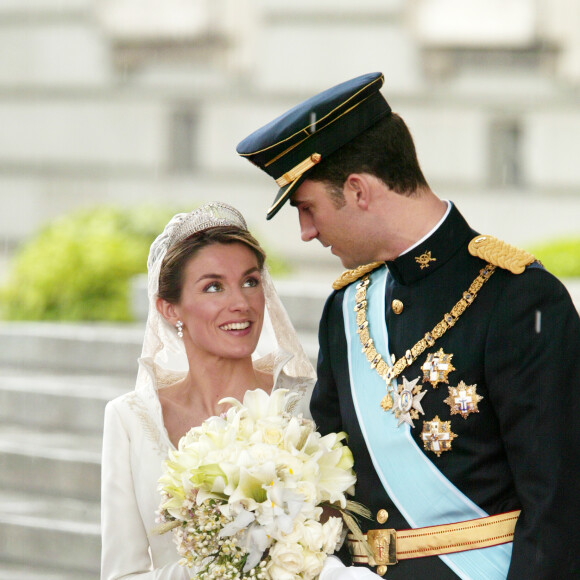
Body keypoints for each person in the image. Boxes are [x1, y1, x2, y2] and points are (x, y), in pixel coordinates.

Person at [236, 72, 580, 578]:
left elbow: (558, 508)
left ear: (357, 190)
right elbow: (338, 486)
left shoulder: (519, 299)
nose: (306, 233)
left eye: (307, 208)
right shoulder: (348, 306)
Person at [100, 202, 319, 579]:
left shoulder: (307, 404)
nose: (241, 303)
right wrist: (215, 569)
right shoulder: (130, 419)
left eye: (250, 281)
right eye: (213, 287)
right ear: (169, 309)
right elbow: (121, 574)